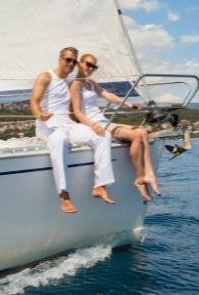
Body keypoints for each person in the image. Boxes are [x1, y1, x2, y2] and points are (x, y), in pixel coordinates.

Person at [30, 47, 116, 213]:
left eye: (74, 61)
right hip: (47, 124)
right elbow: (34, 101)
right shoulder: (46, 76)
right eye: (67, 59)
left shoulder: (71, 83)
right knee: (60, 138)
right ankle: (63, 194)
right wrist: (40, 114)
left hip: (67, 123)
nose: (70, 63)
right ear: (60, 59)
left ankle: (100, 185)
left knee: (103, 134)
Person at [69, 53, 160, 202]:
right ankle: (141, 178)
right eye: (88, 64)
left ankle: (146, 176)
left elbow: (108, 95)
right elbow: (78, 113)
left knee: (143, 131)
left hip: (103, 120)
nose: (90, 68)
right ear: (80, 63)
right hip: (94, 124)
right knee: (137, 135)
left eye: (94, 66)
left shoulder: (90, 83)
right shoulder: (75, 84)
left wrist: (129, 105)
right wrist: (93, 126)